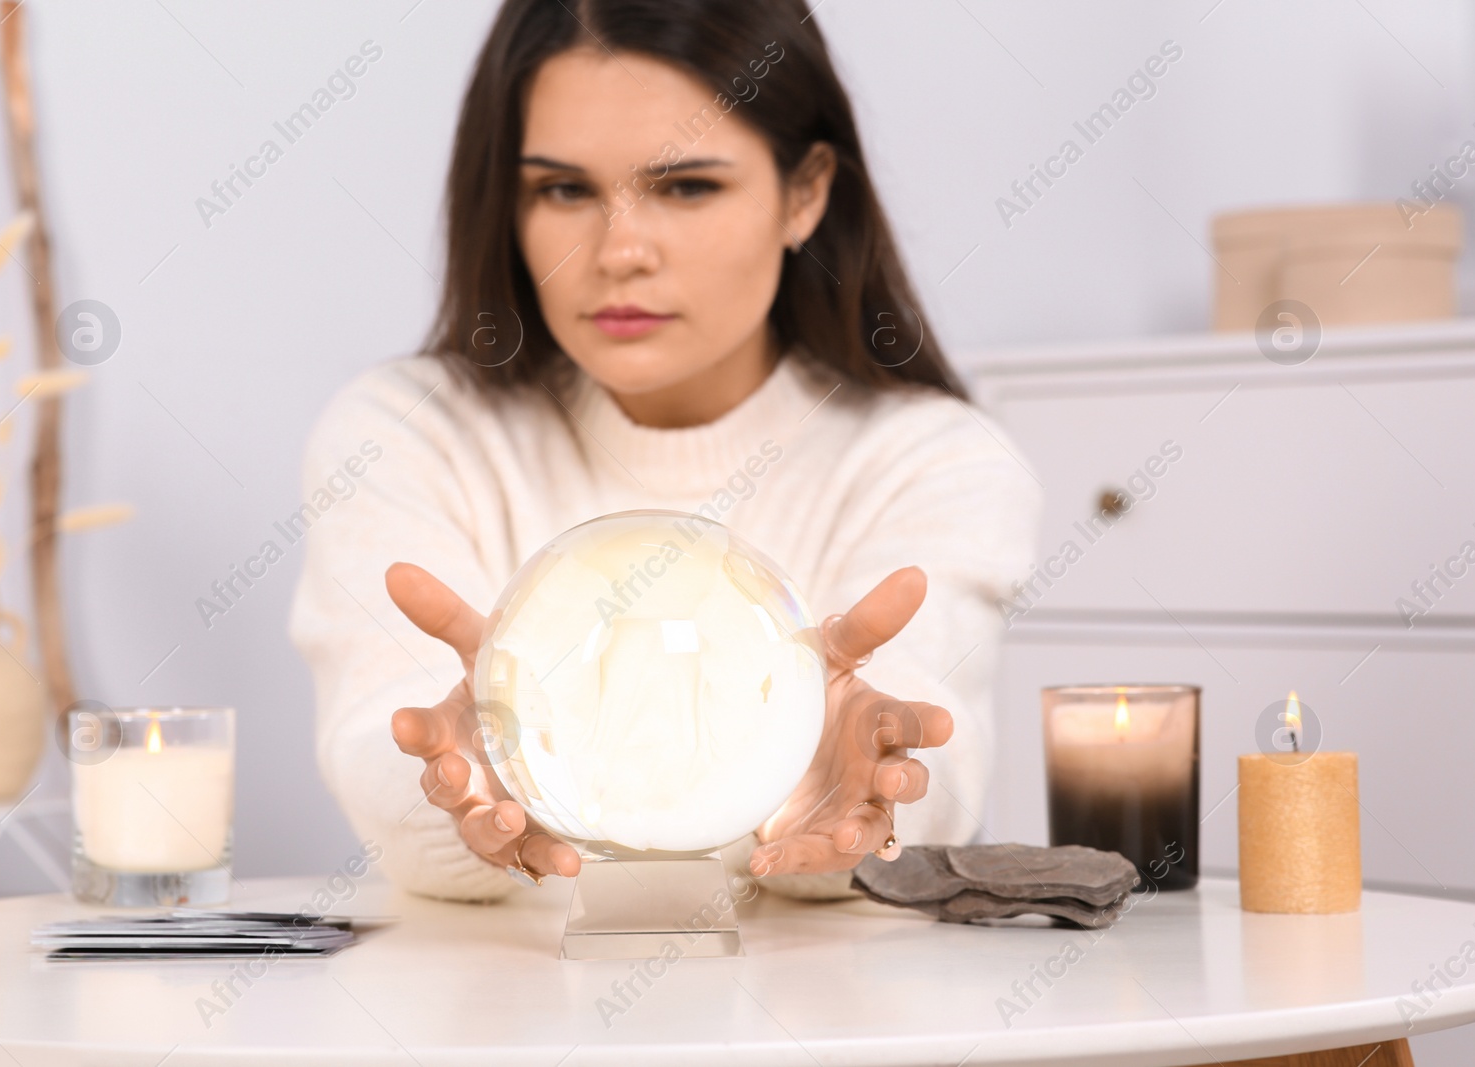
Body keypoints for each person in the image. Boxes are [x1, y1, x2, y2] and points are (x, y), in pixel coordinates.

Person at [289, 0, 1039, 903]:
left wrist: (844, 784)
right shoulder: (404, 433)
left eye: (686, 187)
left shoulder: (935, 461)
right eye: (563, 189)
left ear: (805, 192)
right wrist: (456, 777)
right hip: (504, 1025)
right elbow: (384, 765)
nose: (620, 252)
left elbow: (931, 787)